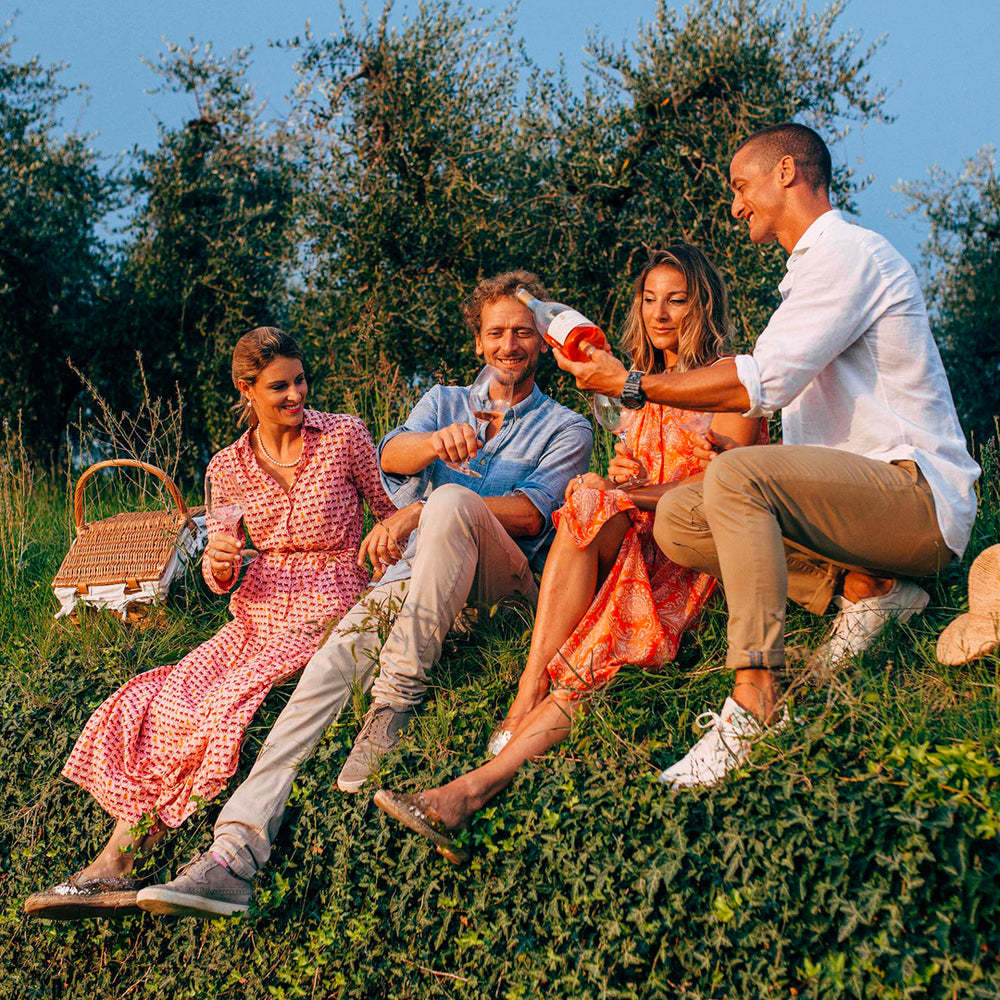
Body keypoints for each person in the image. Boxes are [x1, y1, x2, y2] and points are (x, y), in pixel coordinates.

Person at [134, 269, 593, 916]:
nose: (509, 345)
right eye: (496, 332)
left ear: (543, 340)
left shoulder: (568, 427)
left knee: (451, 503)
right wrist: (432, 446)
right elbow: (392, 453)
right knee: (320, 681)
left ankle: (396, 700)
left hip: (500, 587)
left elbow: (533, 514)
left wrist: (425, 508)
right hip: (411, 584)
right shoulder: (442, 400)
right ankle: (231, 856)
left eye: (522, 332)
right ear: (478, 341)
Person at [553, 122, 980, 789]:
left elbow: (761, 382)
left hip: (915, 499)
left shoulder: (848, 255)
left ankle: (754, 699)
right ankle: (867, 588)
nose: (735, 205)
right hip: (853, 510)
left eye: (740, 185)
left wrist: (630, 384)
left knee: (733, 475)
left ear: (786, 172)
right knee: (681, 520)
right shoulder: (807, 276)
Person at [374, 245, 765, 863]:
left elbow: (719, 487)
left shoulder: (728, 381)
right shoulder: (635, 386)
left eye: (677, 300)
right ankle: (529, 684)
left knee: (596, 644)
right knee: (584, 498)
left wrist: (626, 491)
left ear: (704, 305)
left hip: (683, 551)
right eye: (650, 299)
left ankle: (470, 791)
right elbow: (634, 474)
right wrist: (616, 479)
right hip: (632, 532)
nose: (660, 313)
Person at [24, 327, 398, 919]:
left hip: (330, 598)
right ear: (246, 390)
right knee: (161, 698)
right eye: (279, 386)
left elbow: (388, 514)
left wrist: (386, 574)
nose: (296, 395)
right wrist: (220, 564)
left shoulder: (344, 435)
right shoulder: (226, 467)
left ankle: (116, 865)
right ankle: (114, 863)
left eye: (300, 380)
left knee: (220, 705)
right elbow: (218, 573)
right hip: (255, 609)